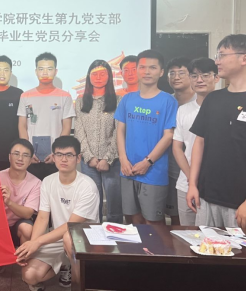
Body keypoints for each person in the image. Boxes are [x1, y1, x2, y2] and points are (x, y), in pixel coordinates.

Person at [187, 35, 246, 229]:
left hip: (243, 204)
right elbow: (200, 142)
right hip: (206, 198)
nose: (217, 61)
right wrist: (192, 185)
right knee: (204, 247)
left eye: (222, 55)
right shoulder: (213, 99)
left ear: (244, 58)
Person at [16, 136, 100, 291]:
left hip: (82, 238)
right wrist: (33, 244)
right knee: (29, 275)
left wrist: (38, 242)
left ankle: (78, 282)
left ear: (78, 158)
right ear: (53, 157)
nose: (64, 159)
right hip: (57, 237)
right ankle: (65, 264)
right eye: (59, 154)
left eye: (69, 155)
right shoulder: (48, 181)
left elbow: (71, 225)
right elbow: (42, 217)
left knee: (68, 237)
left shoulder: (88, 186)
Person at [114, 50, 178, 225]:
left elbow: (168, 136)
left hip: (154, 172)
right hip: (128, 169)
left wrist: (148, 162)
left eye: (152, 67)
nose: (147, 72)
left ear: (161, 72)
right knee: (132, 220)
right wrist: (123, 159)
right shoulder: (127, 99)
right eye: (142, 67)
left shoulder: (168, 101)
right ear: (136, 70)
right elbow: (120, 131)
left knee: (153, 223)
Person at [75, 60, 123, 224]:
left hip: (113, 161)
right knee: (91, 205)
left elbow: (119, 131)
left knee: (114, 205)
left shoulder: (118, 100)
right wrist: (89, 157)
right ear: (89, 77)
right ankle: (93, 237)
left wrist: (107, 159)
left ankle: (114, 235)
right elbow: (79, 131)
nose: (98, 77)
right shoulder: (81, 102)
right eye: (94, 74)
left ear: (109, 76)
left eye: (103, 73)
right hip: (89, 162)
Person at [173, 58, 219, 226]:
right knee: (187, 233)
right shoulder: (183, 110)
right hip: (185, 183)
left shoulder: (224, 108)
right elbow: (177, 147)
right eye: (194, 76)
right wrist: (191, 176)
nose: (199, 80)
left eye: (205, 75)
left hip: (216, 184)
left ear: (216, 77)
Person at [18, 53, 75, 181]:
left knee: (55, 190)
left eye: (49, 69)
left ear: (56, 71)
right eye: (41, 69)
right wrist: (27, 152)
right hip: (32, 157)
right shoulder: (26, 96)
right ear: (36, 71)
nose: (45, 72)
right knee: (32, 190)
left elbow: (66, 127)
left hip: (56, 158)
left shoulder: (64, 96)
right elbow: (22, 125)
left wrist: (57, 153)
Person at [0, 139, 41, 275]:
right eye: (16, 154)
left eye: (25, 155)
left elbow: (28, 213)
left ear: (31, 160)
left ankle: (23, 261)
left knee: (27, 228)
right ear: (9, 157)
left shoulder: (36, 183)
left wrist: (9, 202)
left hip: (17, 225)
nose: (20, 158)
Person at [165, 57, 196, 225]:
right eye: (172, 73)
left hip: (195, 167)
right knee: (175, 215)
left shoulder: (201, 101)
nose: (176, 77)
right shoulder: (166, 101)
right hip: (170, 167)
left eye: (181, 73)